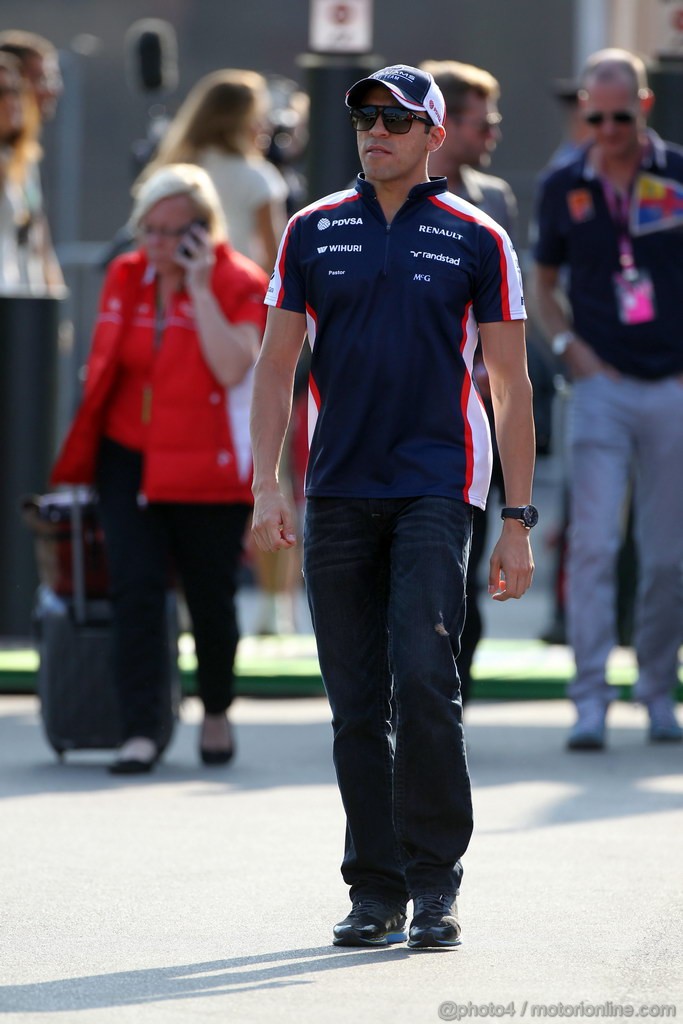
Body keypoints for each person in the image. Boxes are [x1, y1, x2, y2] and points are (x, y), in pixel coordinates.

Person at [250, 64, 536, 949]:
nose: (375, 130)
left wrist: (517, 521)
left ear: (432, 136)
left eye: (396, 119)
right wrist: (267, 481)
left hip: (435, 487)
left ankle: (434, 881)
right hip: (336, 489)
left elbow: (509, 385)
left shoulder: (477, 236)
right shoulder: (310, 228)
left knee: (422, 675)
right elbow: (275, 365)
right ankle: (374, 889)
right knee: (352, 703)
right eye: (365, 117)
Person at [50, 163, 268, 774]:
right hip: (128, 457)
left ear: (203, 232)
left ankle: (217, 710)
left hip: (205, 462)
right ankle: (141, 729)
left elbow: (233, 368)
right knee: (136, 592)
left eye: (171, 232)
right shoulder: (126, 274)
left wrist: (197, 289)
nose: (156, 244)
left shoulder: (238, 281)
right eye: (148, 229)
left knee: (210, 597)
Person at [532, 48, 683, 750]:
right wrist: (569, 351)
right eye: (595, 115)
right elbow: (541, 284)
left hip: (671, 385)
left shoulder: (676, 173)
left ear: (643, 107)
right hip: (599, 388)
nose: (608, 127)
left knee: (666, 557)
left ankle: (655, 691)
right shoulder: (563, 184)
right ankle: (586, 700)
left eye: (620, 115)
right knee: (592, 545)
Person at [143, 68, 298, 635]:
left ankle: (188, 601)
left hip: (182, 325)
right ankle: (275, 609)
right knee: (267, 461)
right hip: (244, 321)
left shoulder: (170, 170)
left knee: (187, 469)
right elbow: (281, 259)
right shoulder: (258, 177)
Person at [418, 59, 516, 705]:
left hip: (480, 417)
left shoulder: (496, 202)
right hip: (414, 415)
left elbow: (511, 309)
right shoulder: (391, 196)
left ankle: (453, 696)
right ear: (445, 124)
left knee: (465, 567)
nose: (495, 132)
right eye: (485, 121)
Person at [0, 30, 64, 294]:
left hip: (21, 311)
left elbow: (39, 243)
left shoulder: (22, 157)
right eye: (41, 78)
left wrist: (53, 298)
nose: (53, 89)